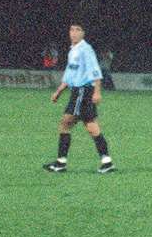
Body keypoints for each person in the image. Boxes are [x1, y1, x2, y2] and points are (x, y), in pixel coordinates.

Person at [43, 23, 115, 173]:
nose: (74, 33)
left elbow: (95, 71)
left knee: (65, 124)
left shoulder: (85, 50)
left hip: (83, 91)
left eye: (78, 30)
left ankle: (61, 162)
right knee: (92, 127)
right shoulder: (73, 51)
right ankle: (107, 161)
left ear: (83, 33)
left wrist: (97, 92)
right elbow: (70, 75)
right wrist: (59, 91)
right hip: (79, 91)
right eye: (71, 29)